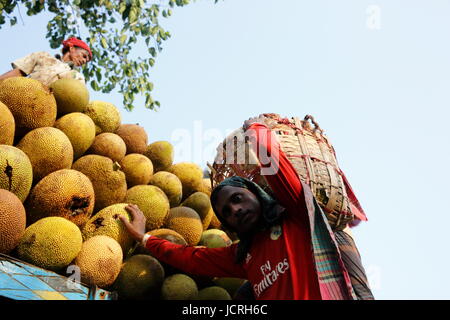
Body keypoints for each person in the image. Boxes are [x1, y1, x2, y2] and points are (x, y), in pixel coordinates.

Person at [121, 117, 372, 300]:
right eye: (227, 213)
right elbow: (191, 258)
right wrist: (144, 237)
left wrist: (255, 130)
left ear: (256, 193)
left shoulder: (295, 216)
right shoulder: (242, 257)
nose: (235, 210)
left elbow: (276, 167)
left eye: (238, 198)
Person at [0, 37, 92, 86]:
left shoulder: (78, 77)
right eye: (84, 56)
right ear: (71, 48)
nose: (84, 60)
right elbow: (18, 73)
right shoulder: (43, 56)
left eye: (86, 60)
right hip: (23, 98)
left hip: (49, 115)